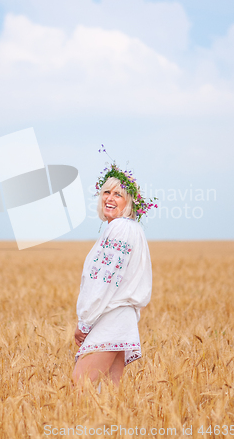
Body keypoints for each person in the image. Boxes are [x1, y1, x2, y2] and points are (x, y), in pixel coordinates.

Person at [72, 157, 156, 387]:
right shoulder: (133, 229)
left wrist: (84, 322)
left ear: (129, 202)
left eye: (118, 195)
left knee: (81, 386)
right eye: (106, 192)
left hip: (111, 317)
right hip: (122, 318)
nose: (109, 198)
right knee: (108, 393)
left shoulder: (119, 228)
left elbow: (102, 281)